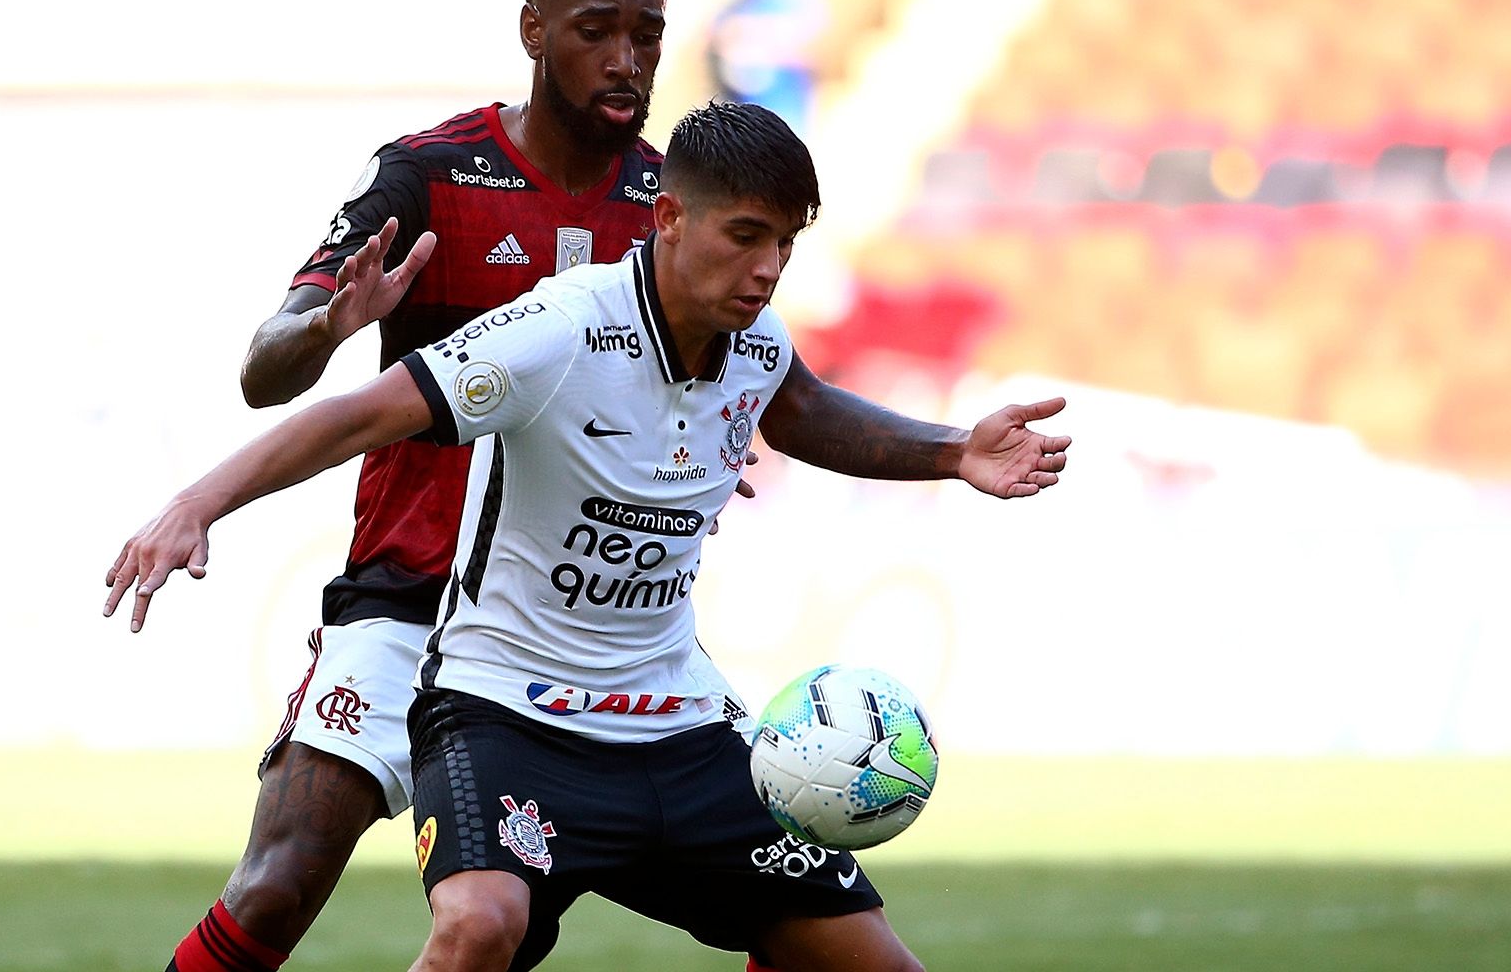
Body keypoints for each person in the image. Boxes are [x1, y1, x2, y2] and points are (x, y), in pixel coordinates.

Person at [105, 101, 1069, 971]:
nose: (768, 269)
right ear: (673, 218)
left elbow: (803, 411)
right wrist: (195, 502)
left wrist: (954, 453)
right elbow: (359, 415)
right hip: (505, 708)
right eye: (745, 237)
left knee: (873, 965)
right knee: (478, 924)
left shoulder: (758, 344)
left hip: (676, 718)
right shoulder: (560, 330)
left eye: (784, 243)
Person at [106, 0, 735, 972]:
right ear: (534, 29)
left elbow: (718, 383)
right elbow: (264, 371)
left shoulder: (670, 207)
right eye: (597, 29)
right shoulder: (428, 174)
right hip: (406, 601)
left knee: (732, 878)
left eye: (648, 33)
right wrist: (326, 325)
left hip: (568, 638)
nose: (627, 58)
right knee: (275, 887)